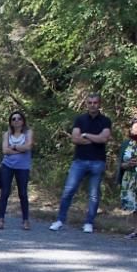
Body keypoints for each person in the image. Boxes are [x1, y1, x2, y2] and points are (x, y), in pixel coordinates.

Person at [49, 93, 112, 233]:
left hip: (97, 162)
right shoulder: (80, 119)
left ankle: (89, 223)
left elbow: (104, 139)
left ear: (99, 104)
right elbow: (75, 139)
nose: (92, 105)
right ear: (86, 104)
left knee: (94, 194)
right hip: (80, 161)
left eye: (95, 102)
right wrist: (93, 138)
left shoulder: (106, 121)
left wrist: (86, 135)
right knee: (69, 190)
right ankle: (60, 220)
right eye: (90, 102)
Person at [0, 110, 34, 230]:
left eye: (19, 118)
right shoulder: (7, 134)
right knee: (5, 192)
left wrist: (14, 147)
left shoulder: (28, 133)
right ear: (11, 122)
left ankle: (25, 220)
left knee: (22, 193)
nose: (16, 120)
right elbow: (4, 150)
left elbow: (28, 147)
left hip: (23, 167)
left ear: (23, 121)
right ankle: (1, 219)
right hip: (7, 165)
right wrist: (20, 149)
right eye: (13, 119)